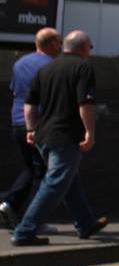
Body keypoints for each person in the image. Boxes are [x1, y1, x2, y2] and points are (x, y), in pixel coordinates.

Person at [10, 30, 108, 245]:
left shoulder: (46, 68)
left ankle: (85, 223)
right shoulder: (82, 68)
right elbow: (85, 103)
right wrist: (89, 132)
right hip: (65, 135)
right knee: (55, 182)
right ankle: (24, 231)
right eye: (90, 47)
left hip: (43, 135)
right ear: (83, 47)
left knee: (69, 180)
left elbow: (29, 104)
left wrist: (31, 129)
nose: (90, 51)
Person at [0, 27, 59, 228]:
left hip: (18, 123)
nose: (60, 46)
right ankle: (31, 221)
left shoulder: (20, 63)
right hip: (41, 124)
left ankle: (10, 205)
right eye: (59, 42)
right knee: (45, 174)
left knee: (33, 169)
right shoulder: (52, 66)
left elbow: (15, 91)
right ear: (52, 43)